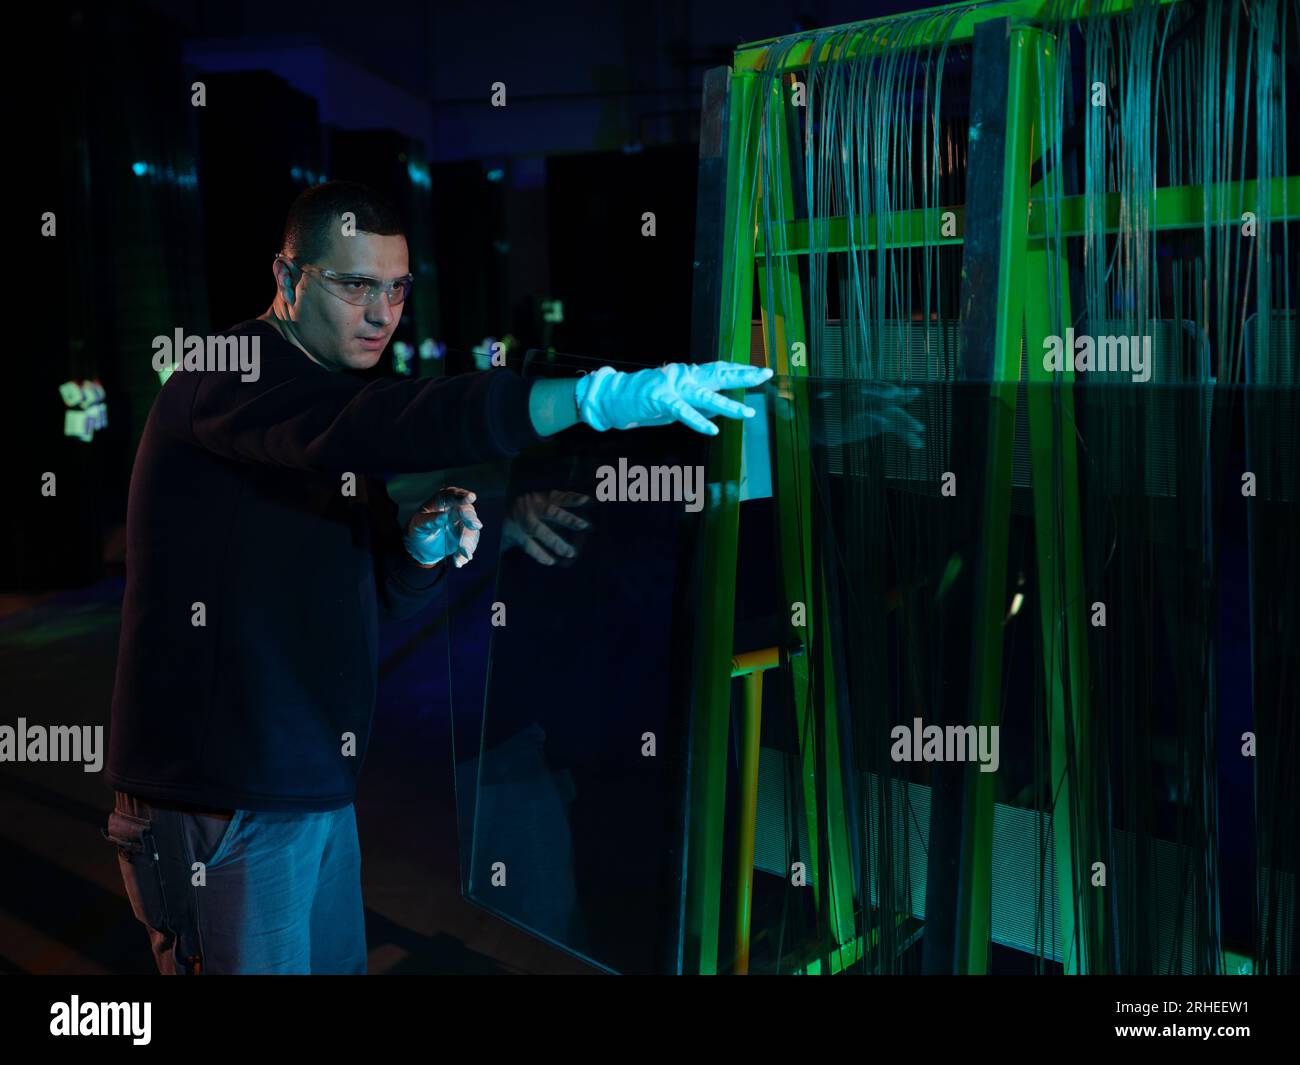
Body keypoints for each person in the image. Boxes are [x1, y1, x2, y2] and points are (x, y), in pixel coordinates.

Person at [101, 180, 773, 974]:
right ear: (287, 279)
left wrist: (417, 552)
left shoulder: (318, 405)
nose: (382, 313)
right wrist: (593, 399)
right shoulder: (229, 374)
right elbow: (396, 420)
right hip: (221, 793)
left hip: (307, 781)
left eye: (395, 287)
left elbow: (379, 590)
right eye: (355, 285)